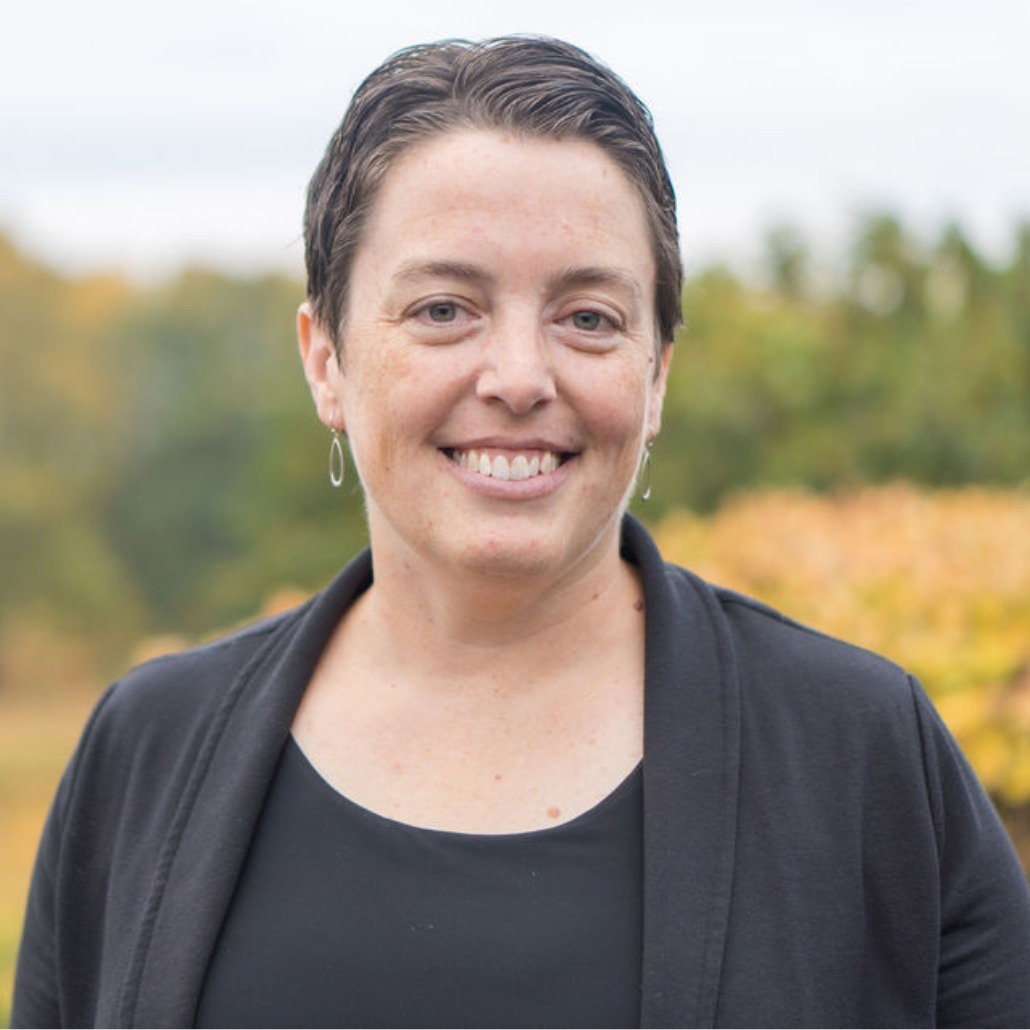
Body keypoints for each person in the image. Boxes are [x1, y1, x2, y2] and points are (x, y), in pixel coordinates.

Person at [11, 35, 1030, 1030]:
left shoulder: (856, 749)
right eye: (445, 308)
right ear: (325, 358)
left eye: (588, 317)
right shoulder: (144, 749)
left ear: (658, 371)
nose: (517, 376)